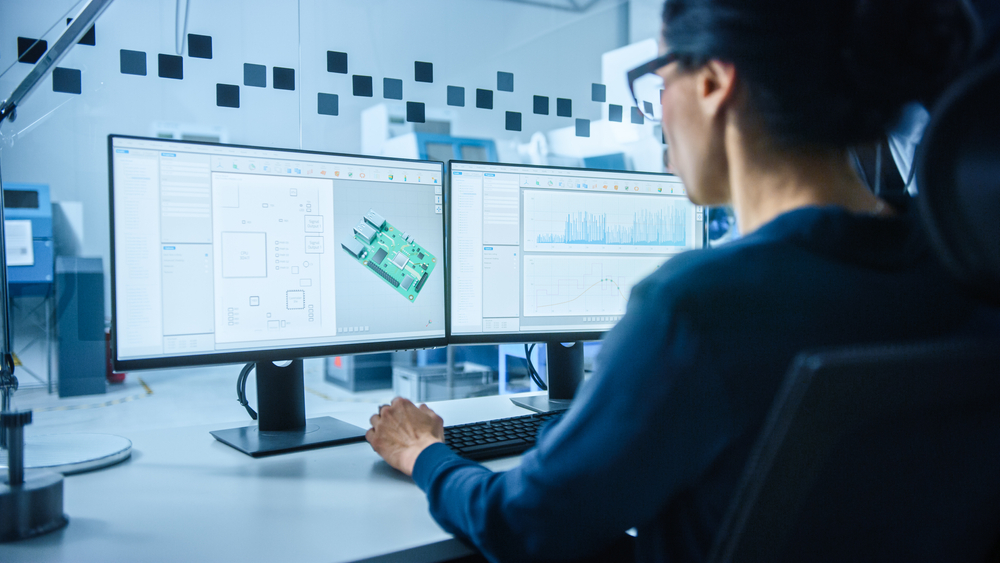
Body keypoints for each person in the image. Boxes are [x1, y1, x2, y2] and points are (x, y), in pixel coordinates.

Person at [367, 0, 995, 561]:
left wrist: (426, 454)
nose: (656, 114)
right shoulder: (964, 273)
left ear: (715, 81)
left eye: (658, 80)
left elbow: (526, 527)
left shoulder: (695, 310)